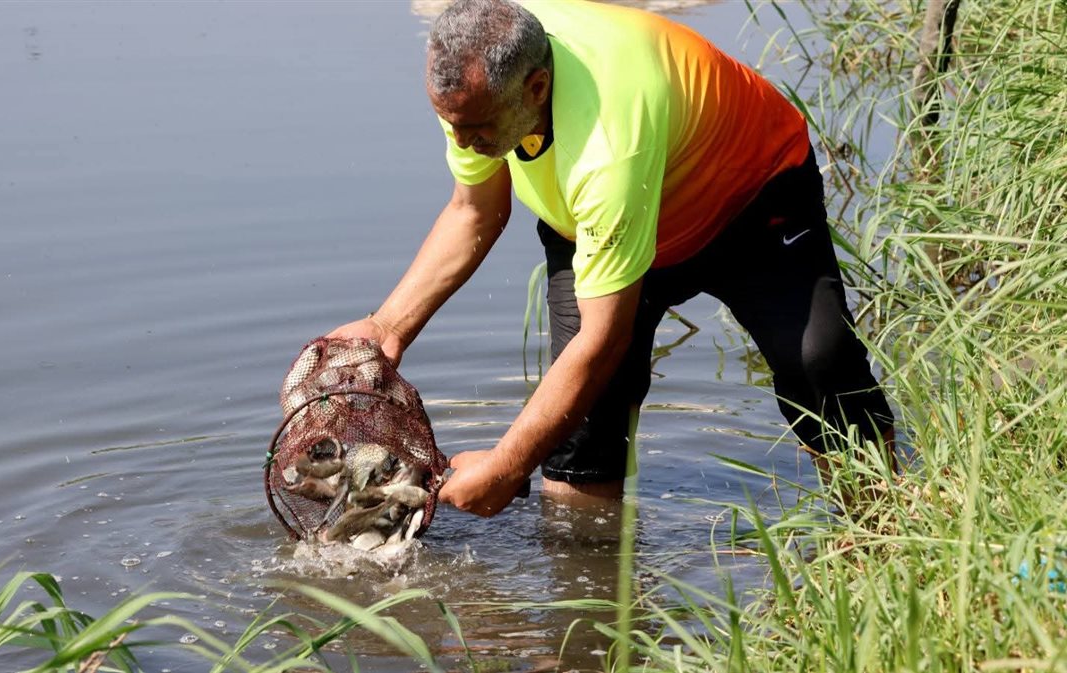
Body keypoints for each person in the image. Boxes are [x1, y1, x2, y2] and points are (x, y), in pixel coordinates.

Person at [329, 0, 894, 517]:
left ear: (537, 87)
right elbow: (474, 210)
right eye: (451, 124)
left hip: (748, 196)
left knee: (820, 362)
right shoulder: (472, 86)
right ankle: (585, 596)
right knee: (583, 426)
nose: (462, 139)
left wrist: (506, 466)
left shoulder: (606, 141)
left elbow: (600, 341)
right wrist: (388, 327)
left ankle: (881, 529)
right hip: (595, 220)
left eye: (477, 128)